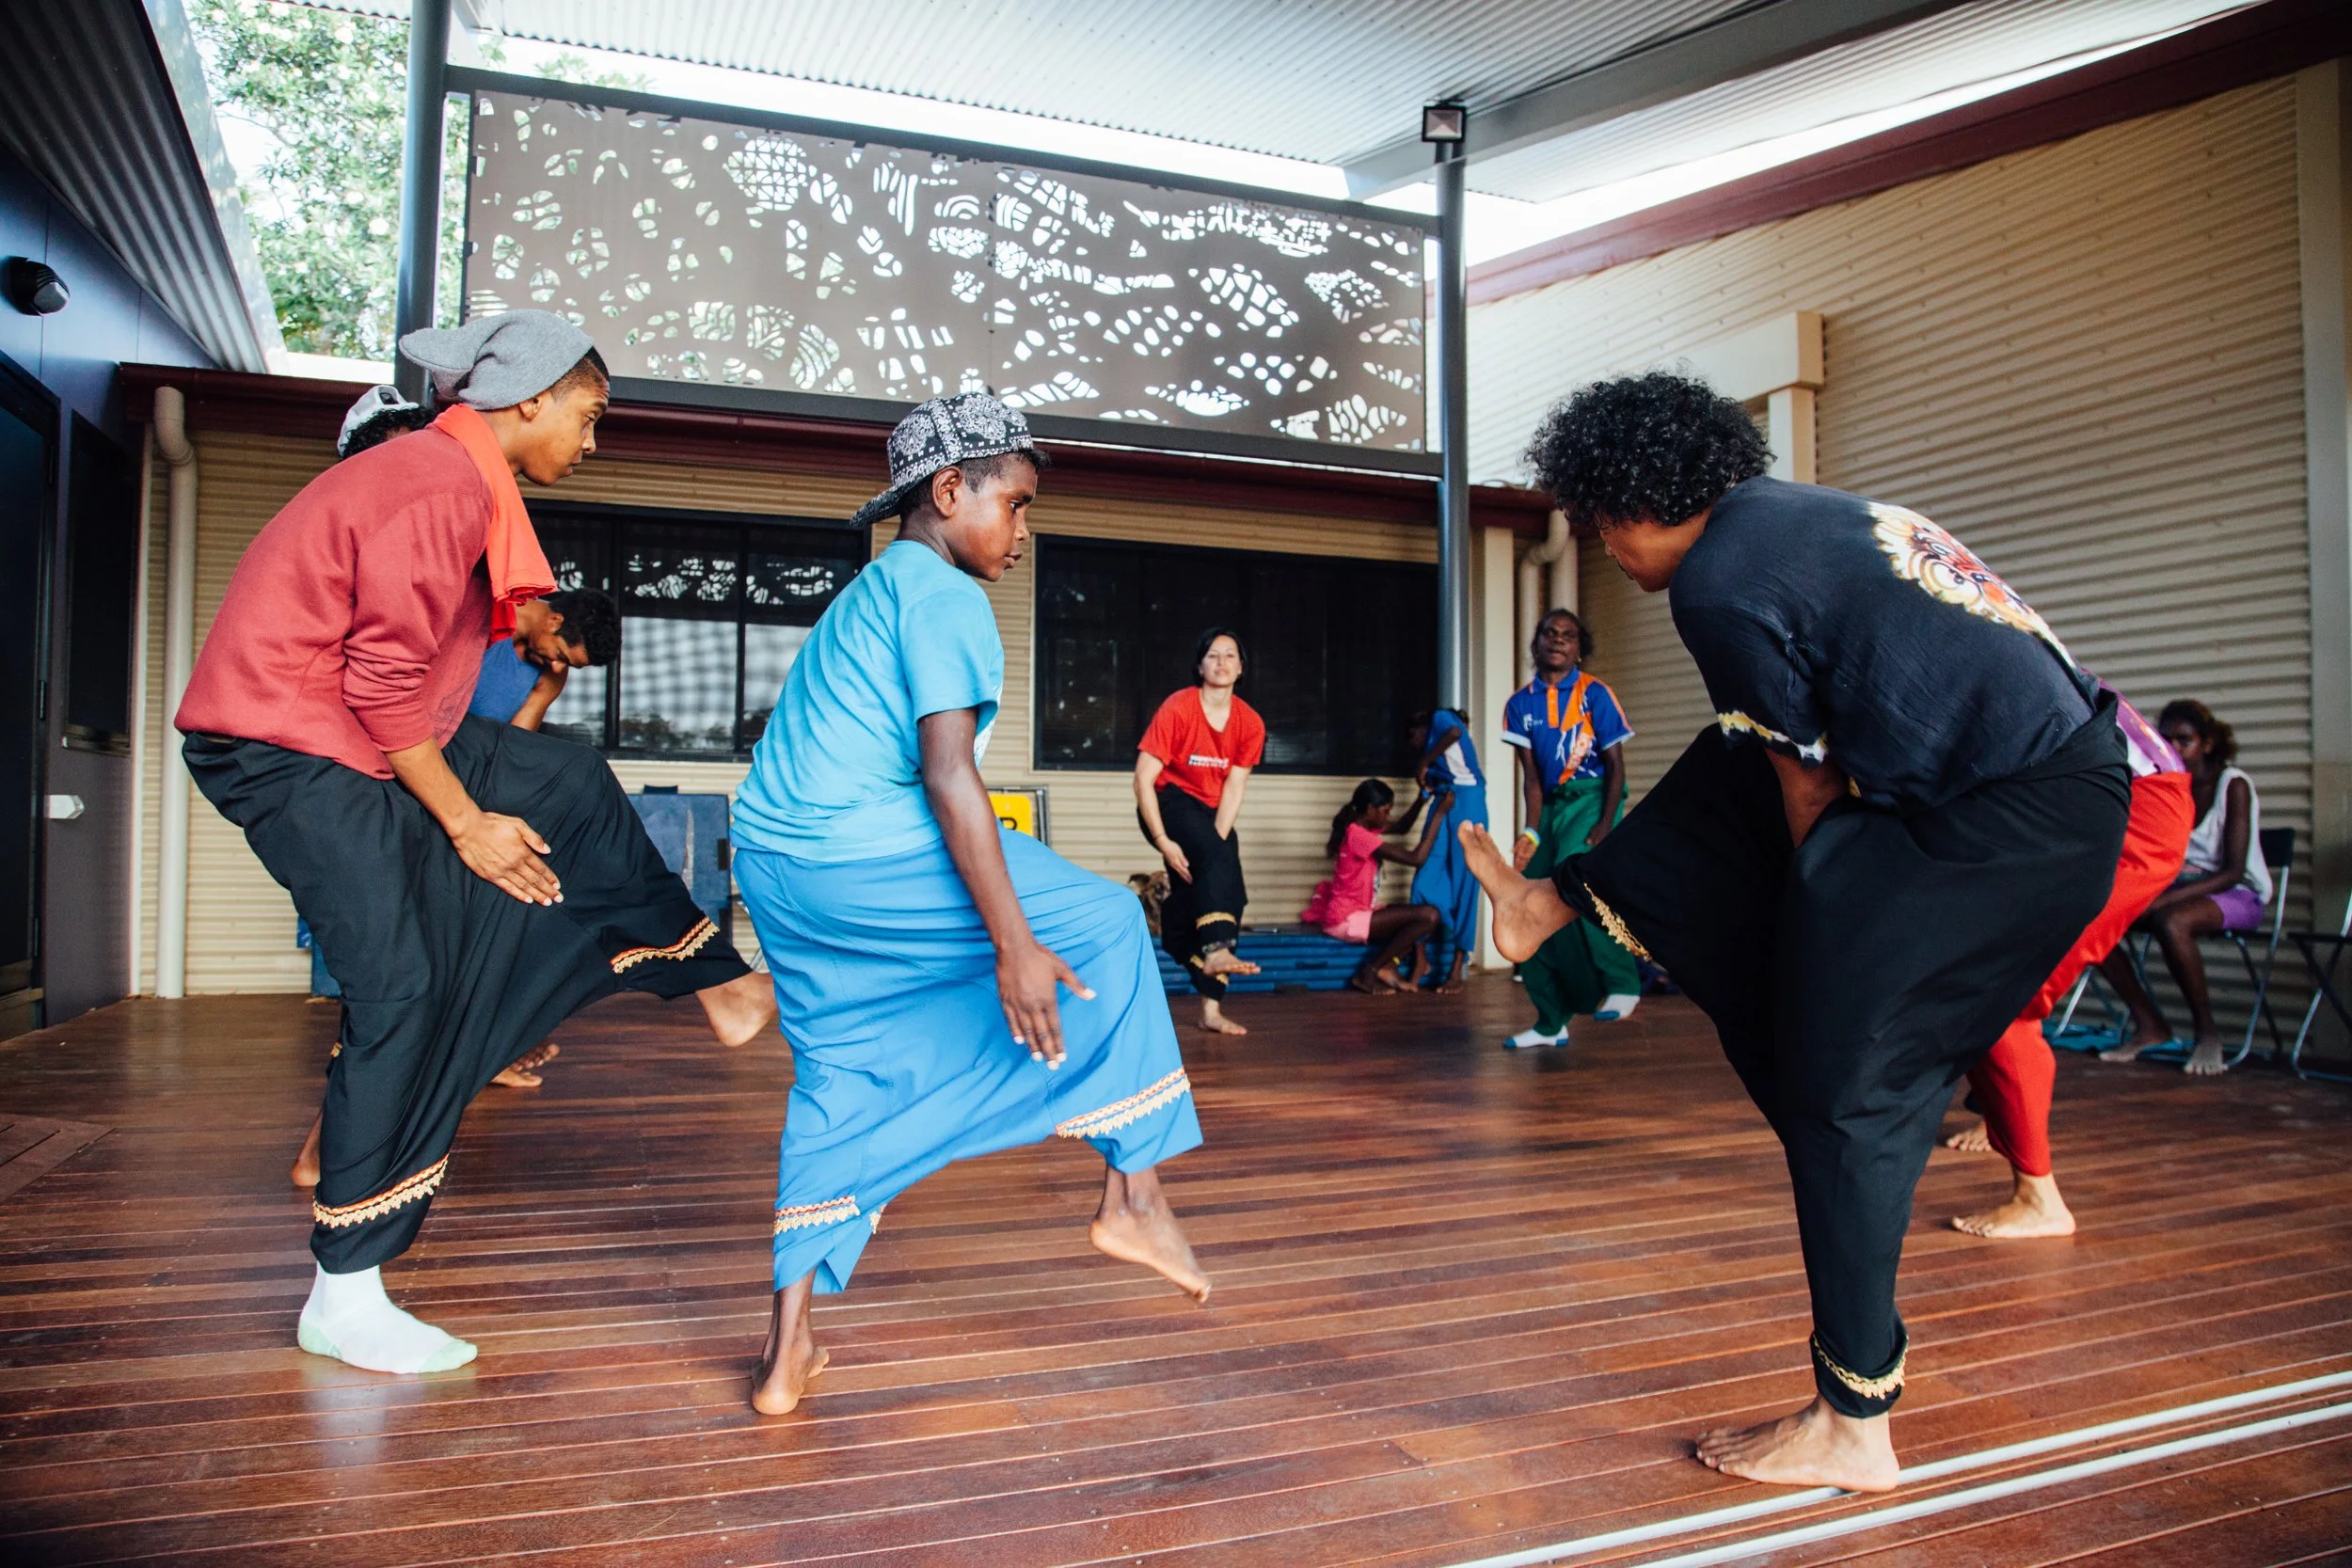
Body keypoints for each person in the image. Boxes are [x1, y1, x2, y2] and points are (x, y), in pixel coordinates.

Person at [1458, 372, 2128, 1492]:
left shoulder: (1720, 584)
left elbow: (1808, 798)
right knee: (1733, 761)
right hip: (2041, 791)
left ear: (1626, 502)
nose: (1603, 553)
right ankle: (1552, 902)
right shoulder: (1806, 514)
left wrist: (1813, 954)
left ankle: (1854, 1418)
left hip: (2010, 823)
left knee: (1838, 1084)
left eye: (1593, 524)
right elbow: (1778, 756)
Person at [177, 312, 776, 1376]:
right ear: (532, 397)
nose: (593, 442)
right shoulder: (434, 484)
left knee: (563, 775)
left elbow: (460, 632)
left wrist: (532, 630)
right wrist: (465, 821)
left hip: (349, 734)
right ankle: (345, 1291)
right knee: (403, 984)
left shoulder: (457, 482)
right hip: (290, 743)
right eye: (590, 417)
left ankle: (712, 979)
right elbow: (380, 680)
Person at [731, 392, 1208, 1418]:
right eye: (1018, 505)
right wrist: (1011, 945)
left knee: (840, 1071)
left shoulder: (869, 591)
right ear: (950, 492)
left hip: (775, 862)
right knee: (1109, 923)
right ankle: (1136, 1192)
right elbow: (949, 778)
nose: (1025, 532)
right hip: (858, 848)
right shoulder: (944, 596)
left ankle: (786, 1354)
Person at [1943, 691, 2192, 1238]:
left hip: (2133, 815)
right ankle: (1999, 1116)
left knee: (2003, 997)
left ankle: (2040, 1199)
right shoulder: (1983, 616)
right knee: (1992, 969)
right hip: (2128, 801)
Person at [2095, 700, 2269, 1076]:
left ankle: (2207, 1034)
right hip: (2179, 889)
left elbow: (2234, 871)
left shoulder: (2232, 784)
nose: (2173, 748)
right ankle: (2150, 1025)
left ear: (2207, 743)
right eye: (2167, 739)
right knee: (2096, 919)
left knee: (2173, 921)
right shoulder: (2171, 787)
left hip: (2237, 894)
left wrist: (2165, 899)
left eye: (2184, 740)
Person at [1499, 610, 1642, 1048]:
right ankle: (1550, 1020)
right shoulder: (1518, 704)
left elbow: (1616, 766)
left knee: (1576, 878)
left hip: (1594, 798)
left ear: (1579, 648)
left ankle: (1623, 982)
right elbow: (1533, 781)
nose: (1558, 640)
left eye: (1569, 635)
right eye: (1550, 633)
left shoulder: (1596, 694)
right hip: (1552, 808)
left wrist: (1605, 822)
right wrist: (1531, 833)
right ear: (1536, 642)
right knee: (1529, 897)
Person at [1135, 629, 1264, 1035]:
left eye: (1230, 655)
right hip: (1166, 804)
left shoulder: (1250, 722)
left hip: (1209, 813)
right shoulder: (1179, 707)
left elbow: (1235, 786)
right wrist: (1163, 841)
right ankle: (1215, 949)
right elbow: (1142, 779)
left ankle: (1209, 1005)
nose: (1222, 662)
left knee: (1230, 894)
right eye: (1213, 655)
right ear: (1200, 665)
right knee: (1218, 869)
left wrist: (1216, 850)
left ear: (1241, 668)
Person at [1301, 779, 1451, 994]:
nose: (1387, 817)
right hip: (1346, 919)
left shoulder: (1363, 827)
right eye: (1385, 811)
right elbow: (1416, 858)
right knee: (1429, 916)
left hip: (1359, 912)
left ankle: (1388, 967)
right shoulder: (1358, 836)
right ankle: (1369, 972)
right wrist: (1439, 814)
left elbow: (1402, 827)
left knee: (1417, 914)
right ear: (1370, 809)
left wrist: (1421, 800)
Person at [1406, 708, 1486, 993]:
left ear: (1420, 729)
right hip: (1444, 800)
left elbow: (1454, 733)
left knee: (1466, 882)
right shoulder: (1438, 764)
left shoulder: (1439, 717)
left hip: (1469, 800)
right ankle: (1421, 959)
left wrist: (1424, 762)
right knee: (1425, 876)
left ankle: (1457, 969)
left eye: (1412, 736)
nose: (1411, 744)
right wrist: (1425, 782)